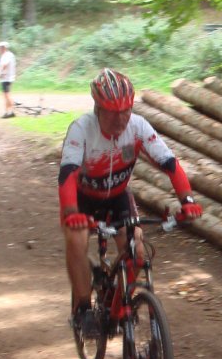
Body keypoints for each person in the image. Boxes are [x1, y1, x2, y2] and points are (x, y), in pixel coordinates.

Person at [58, 68, 203, 337]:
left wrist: (187, 200)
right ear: (98, 109)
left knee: (137, 254)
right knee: (76, 241)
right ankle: (83, 310)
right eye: (112, 112)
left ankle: (116, 308)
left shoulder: (138, 127)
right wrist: (70, 212)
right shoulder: (82, 129)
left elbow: (170, 164)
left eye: (126, 110)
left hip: (118, 197)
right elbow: (67, 174)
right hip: (81, 200)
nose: (121, 118)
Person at [0, 40, 16, 118]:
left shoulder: (7, 55)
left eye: (0, 47)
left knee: (7, 95)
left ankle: (11, 111)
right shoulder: (8, 55)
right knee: (6, 95)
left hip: (6, 78)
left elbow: (4, 65)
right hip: (7, 78)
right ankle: (7, 112)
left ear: (3, 48)